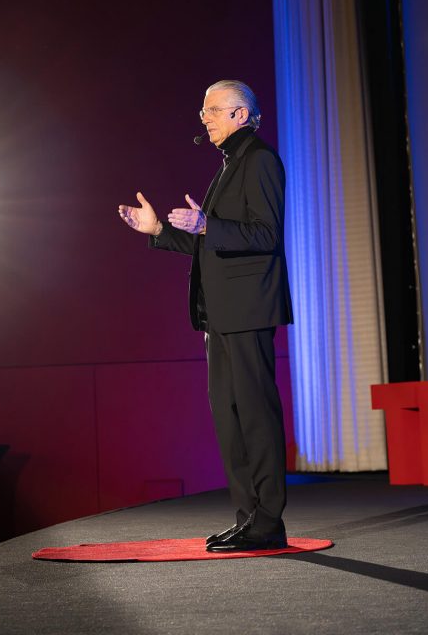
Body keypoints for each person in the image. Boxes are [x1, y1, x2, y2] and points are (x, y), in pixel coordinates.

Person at [118, 80, 293, 552]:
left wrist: (208, 225)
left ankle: (269, 519)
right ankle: (248, 516)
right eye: (202, 112)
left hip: (249, 308)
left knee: (256, 415)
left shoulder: (259, 160)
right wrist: (158, 230)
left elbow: (266, 236)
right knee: (229, 417)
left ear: (240, 114)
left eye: (211, 110)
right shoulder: (229, 165)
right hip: (220, 315)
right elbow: (209, 244)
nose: (204, 118)